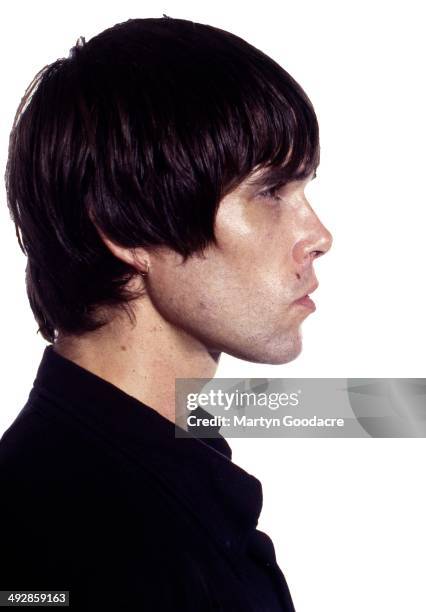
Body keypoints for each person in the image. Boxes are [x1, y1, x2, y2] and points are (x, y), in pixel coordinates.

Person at [0, 16, 332, 611]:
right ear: (127, 225)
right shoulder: (55, 547)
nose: (319, 235)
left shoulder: (160, 481)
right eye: (269, 191)